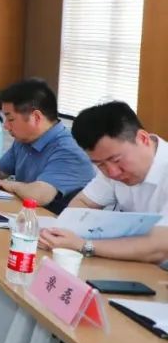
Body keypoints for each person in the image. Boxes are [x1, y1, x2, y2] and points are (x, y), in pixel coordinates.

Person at [39, 101, 168, 263]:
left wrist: (84, 245)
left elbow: (160, 248)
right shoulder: (111, 166)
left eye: (117, 160)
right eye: (100, 165)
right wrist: (60, 234)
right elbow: (83, 202)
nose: (112, 172)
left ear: (142, 139)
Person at [0, 79, 95, 214]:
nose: (5, 126)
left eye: (10, 119)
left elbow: (40, 195)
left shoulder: (68, 149)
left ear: (36, 117)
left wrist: (10, 185)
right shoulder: (25, 138)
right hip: (26, 215)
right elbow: (0, 170)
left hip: (56, 225)